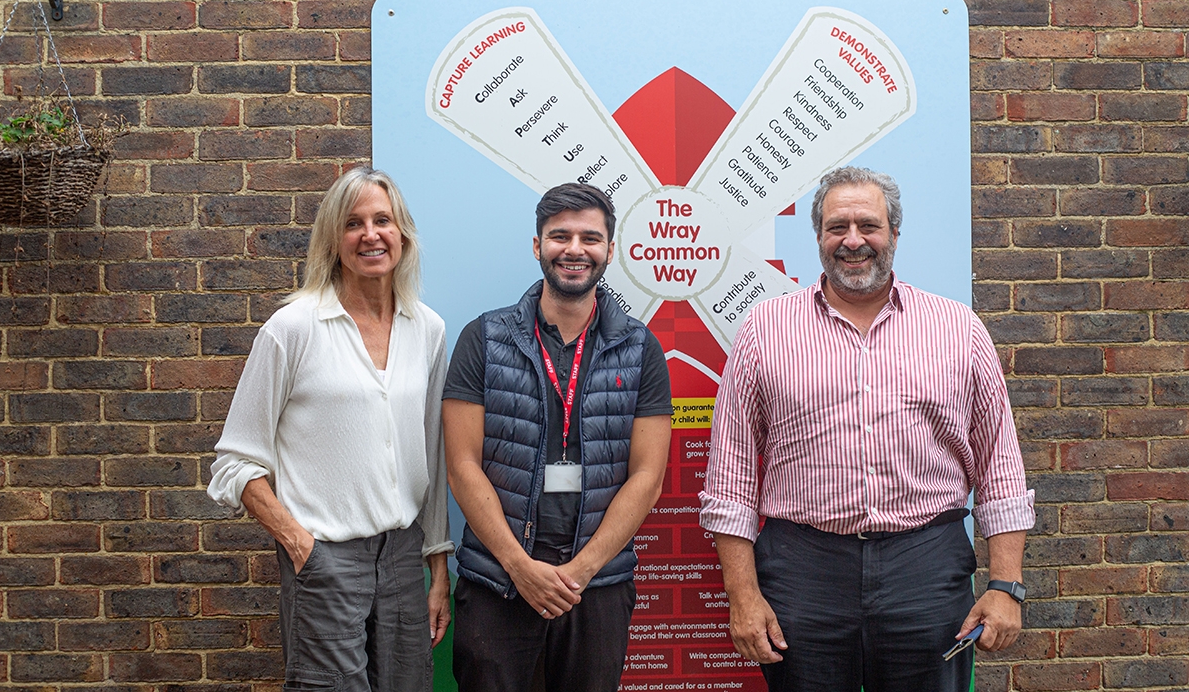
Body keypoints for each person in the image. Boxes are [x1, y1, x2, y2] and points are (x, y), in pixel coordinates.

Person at [700, 166, 1035, 692]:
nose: (853, 240)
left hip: (925, 567)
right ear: (818, 238)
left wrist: (1005, 585)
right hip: (802, 570)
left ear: (894, 234)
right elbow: (731, 478)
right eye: (837, 227)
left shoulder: (958, 329)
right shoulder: (765, 330)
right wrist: (742, 596)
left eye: (868, 225)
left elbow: (1000, 469)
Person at [207, 167, 453, 691]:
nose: (370, 235)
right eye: (352, 223)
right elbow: (234, 463)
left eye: (382, 220)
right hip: (326, 561)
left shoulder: (428, 329)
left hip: (405, 560)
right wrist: (301, 546)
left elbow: (432, 454)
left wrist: (437, 566)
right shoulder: (293, 329)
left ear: (402, 234)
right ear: (332, 240)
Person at [443, 182, 673, 692]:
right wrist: (519, 567)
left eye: (590, 238)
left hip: (596, 585)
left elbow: (647, 476)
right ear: (537, 245)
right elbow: (462, 464)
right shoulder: (483, 339)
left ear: (610, 250)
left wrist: (581, 571)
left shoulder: (640, 349)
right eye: (559, 236)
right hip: (497, 582)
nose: (574, 250)